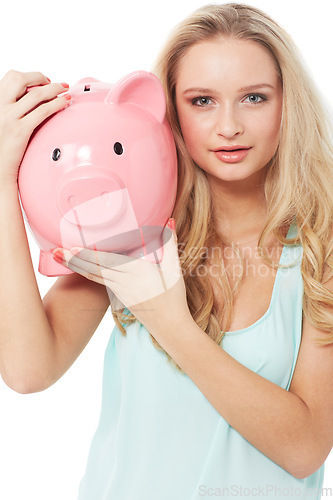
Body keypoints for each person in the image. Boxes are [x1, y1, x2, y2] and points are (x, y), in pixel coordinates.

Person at [0, 2, 333, 499]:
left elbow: (305, 446)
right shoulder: (132, 224)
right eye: (202, 101)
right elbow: (28, 370)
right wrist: (3, 177)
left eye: (254, 98)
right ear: (169, 109)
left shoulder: (320, 247)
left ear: (289, 103)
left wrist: (168, 320)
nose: (229, 126)